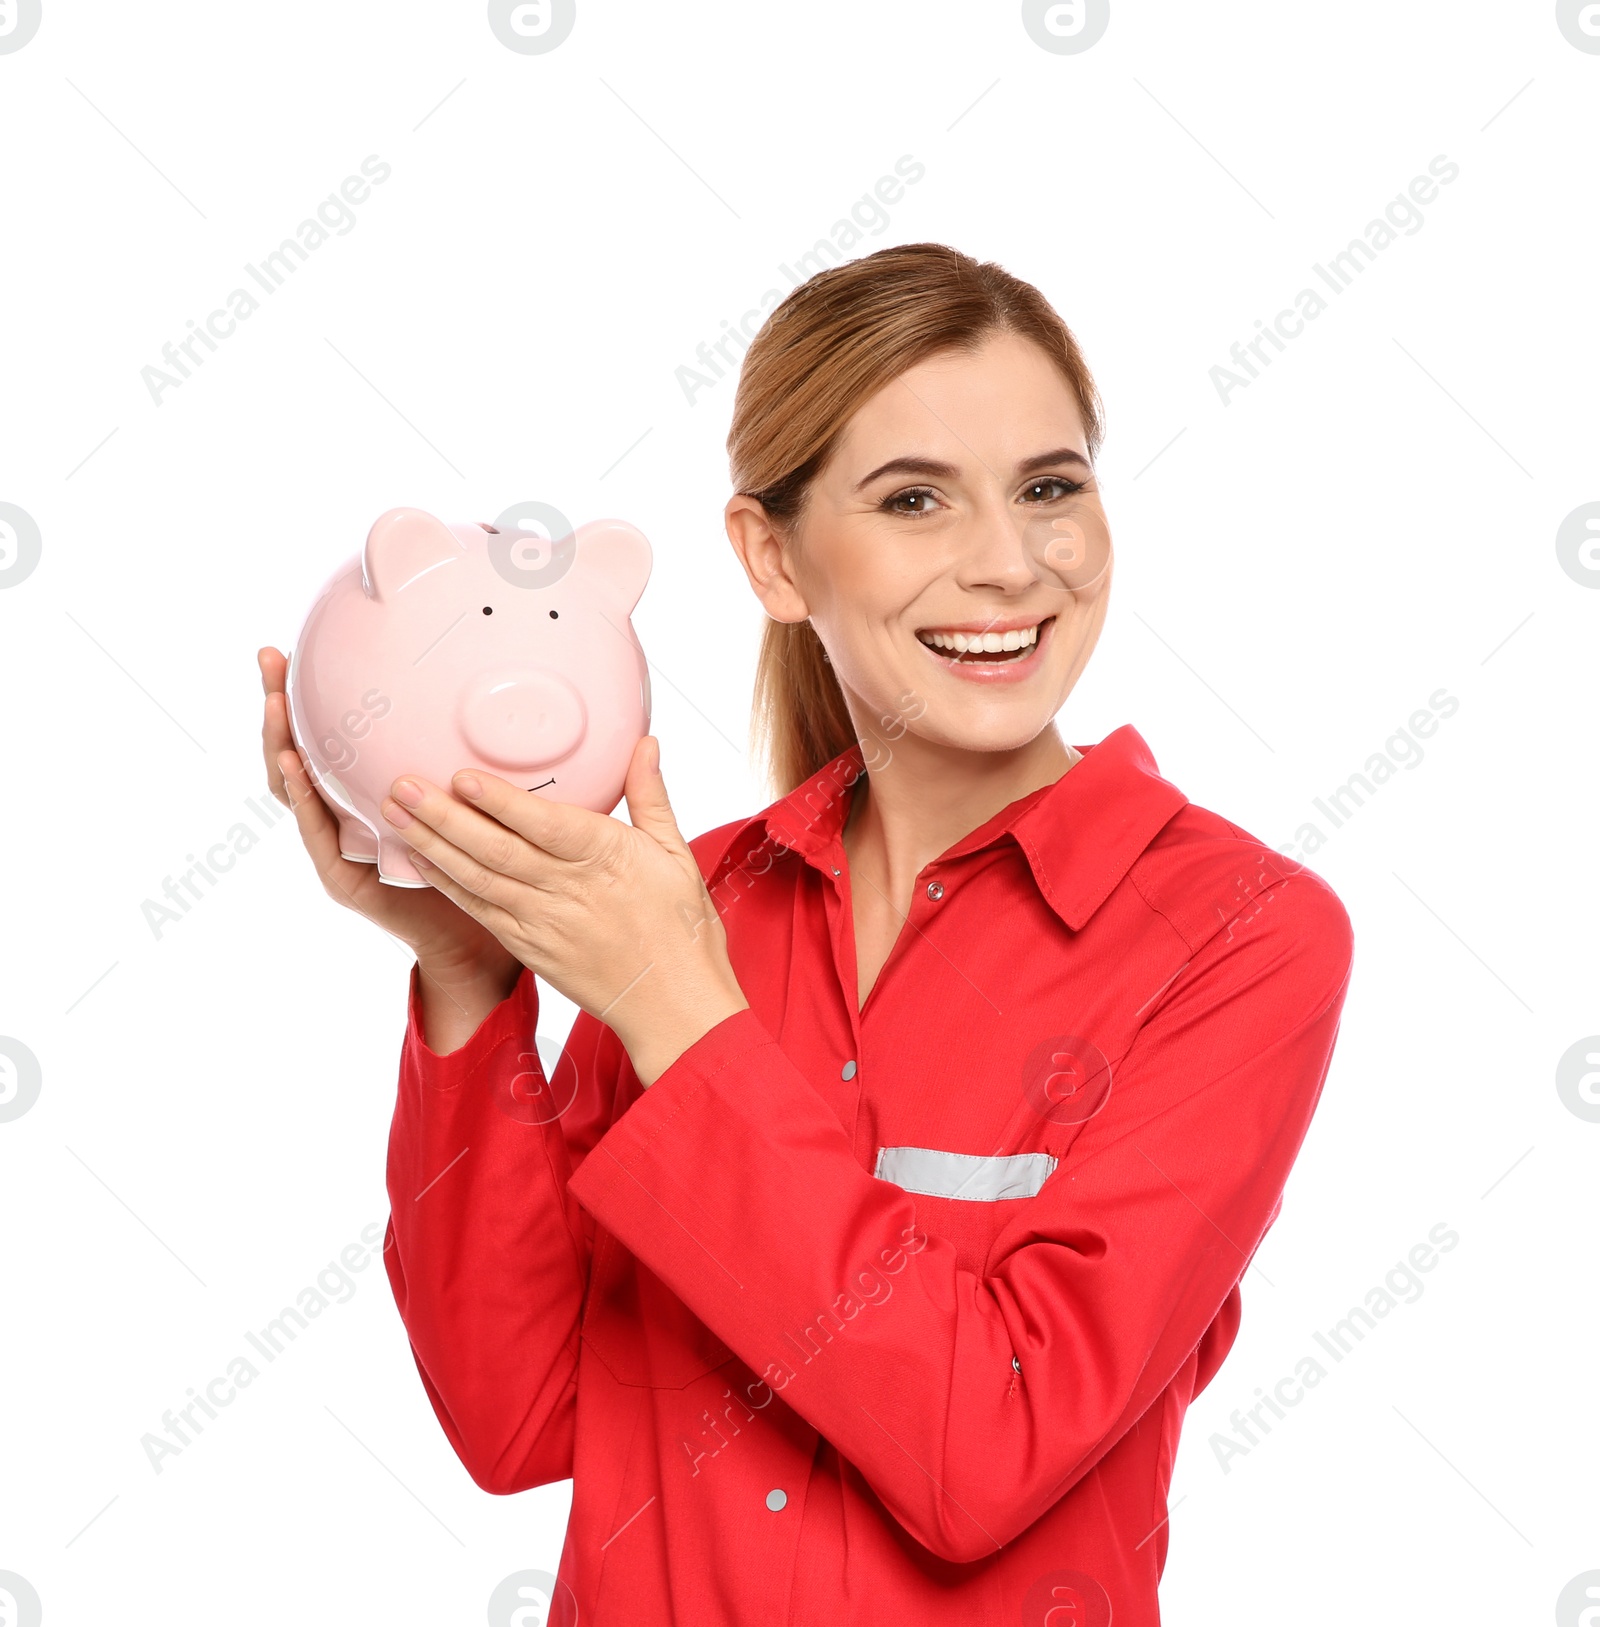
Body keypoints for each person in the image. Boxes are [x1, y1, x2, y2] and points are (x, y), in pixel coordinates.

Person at [257, 242, 1354, 1627]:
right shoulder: (679, 906)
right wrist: (473, 975)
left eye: (1050, 489)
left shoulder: (1239, 939)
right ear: (773, 558)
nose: (1010, 562)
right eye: (915, 500)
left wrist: (683, 1021)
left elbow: (987, 1451)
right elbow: (519, 1417)